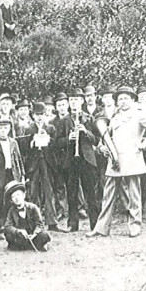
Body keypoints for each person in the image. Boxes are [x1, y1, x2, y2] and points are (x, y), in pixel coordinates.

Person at [88, 86, 146, 238]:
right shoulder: (115, 118)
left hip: (132, 159)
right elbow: (107, 136)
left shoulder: (139, 115)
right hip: (114, 160)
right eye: (120, 99)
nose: (122, 101)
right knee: (107, 195)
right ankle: (101, 227)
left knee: (133, 194)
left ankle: (135, 226)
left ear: (132, 100)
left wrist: (145, 143)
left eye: (126, 98)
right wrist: (102, 147)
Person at [54, 89, 100, 233]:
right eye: (72, 100)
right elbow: (56, 143)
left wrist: (85, 132)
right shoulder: (64, 121)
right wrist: (69, 138)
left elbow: (97, 140)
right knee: (72, 193)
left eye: (77, 100)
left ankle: (95, 224)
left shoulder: (89, 119)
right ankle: (73, 224)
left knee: (90, 193)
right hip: (71, 161)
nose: (74, 103)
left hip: (86, 161)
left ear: (82, 101)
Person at [21, 102, 65, 233]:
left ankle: (52, 222)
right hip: (34, 164)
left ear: (45, 114)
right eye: (36, 114)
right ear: (33, 115)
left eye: (41, 114)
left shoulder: (50, 128)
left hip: (47, 163)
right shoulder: (29, 128)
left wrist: (47, 139)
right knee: (33, 192)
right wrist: (32, 142)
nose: (39, 117)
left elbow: (56, 146)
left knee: (48, 191)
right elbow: (24, 149)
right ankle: (36, 223)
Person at [2, 181, 51, 252]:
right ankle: (31, 245)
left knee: (44, 235)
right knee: (9, 236)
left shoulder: (33, 207)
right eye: (13, 196)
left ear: (24, 195)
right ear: (11, 200)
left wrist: (34, 234)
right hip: (21, 237)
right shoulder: (11, 210)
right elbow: (7, 226)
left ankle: (27, 245)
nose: (16, 198)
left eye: (18, 195)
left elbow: (40, 224)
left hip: (33, 236)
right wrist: (18, 231)